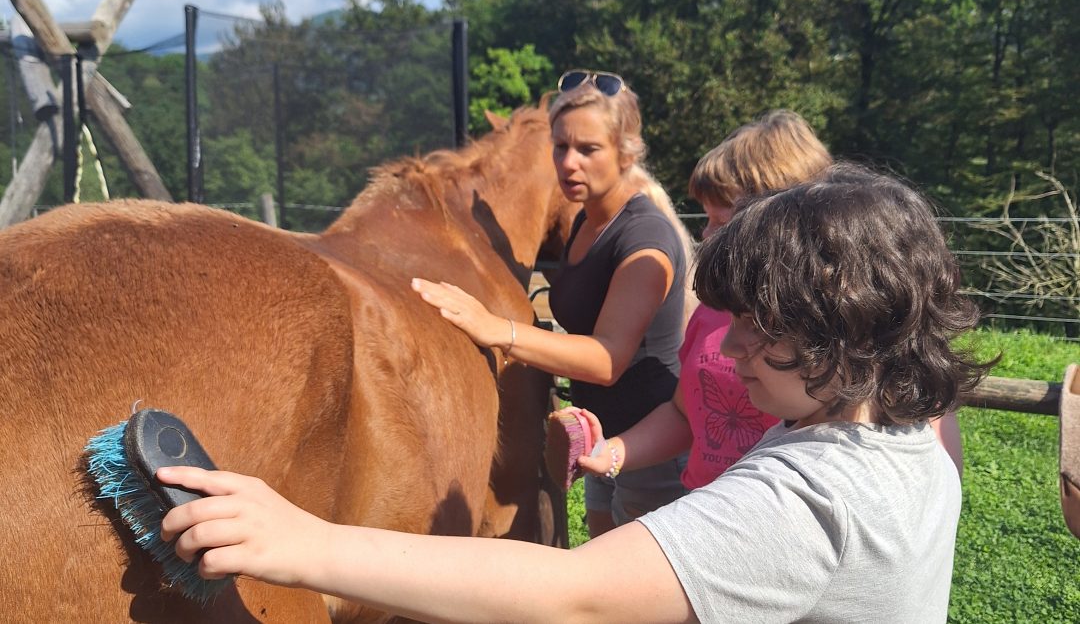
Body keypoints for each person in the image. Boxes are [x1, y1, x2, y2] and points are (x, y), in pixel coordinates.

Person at [160, 165, 992, 622]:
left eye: (760, 326)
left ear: (847, 329)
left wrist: (302, 542)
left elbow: (574, 595)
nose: (729, 344)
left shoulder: (806, 500)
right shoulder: (908, 432)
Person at [411, 69, 691, 536]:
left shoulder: (645, 240)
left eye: (588, 149)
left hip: (649, 453)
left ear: (625, 151)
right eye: (560, 147)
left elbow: (607, 359)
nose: (568, 164)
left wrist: (501, 330)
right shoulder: (586, 222)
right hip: (599, 442)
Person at [563, 109, 834, 490]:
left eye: (722, 223)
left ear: (785, 223)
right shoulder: (711, 311)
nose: (706, 236)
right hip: (701, 511)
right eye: (706, 220)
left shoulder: (838, 333)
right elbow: (683, 414)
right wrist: (614, 452)